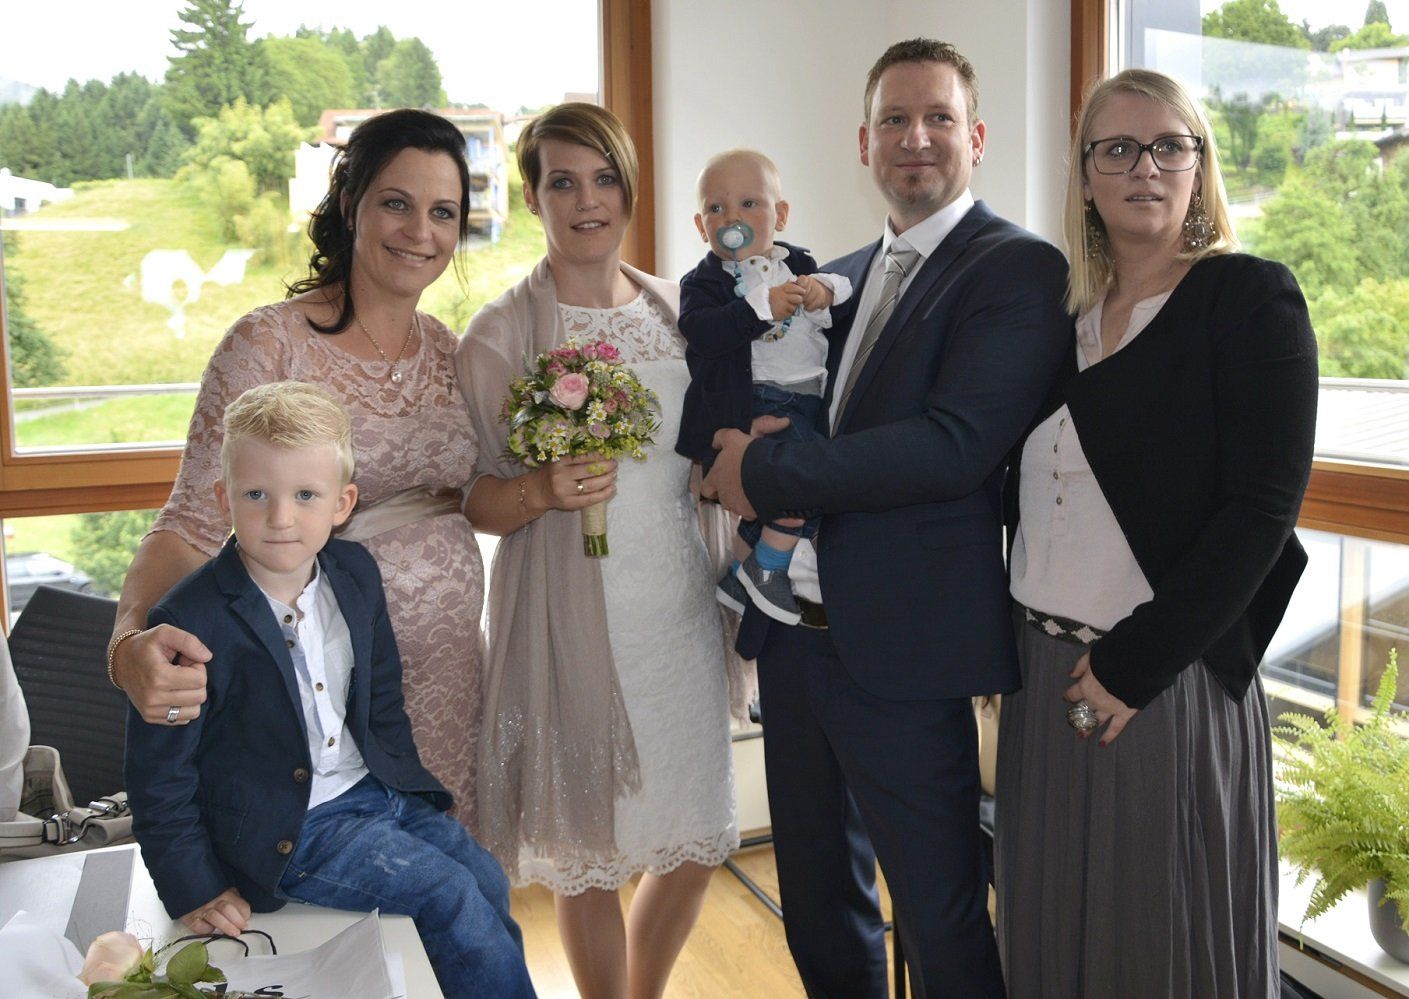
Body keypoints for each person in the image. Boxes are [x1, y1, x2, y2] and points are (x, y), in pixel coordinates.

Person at [705, 39, 1070, 998]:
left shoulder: (1017, 268)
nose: (915, 138)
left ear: (975, 138)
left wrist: (761, 467)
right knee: (819, 903)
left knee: (941, 917)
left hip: (907, 653)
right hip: (795, 643)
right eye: (894, 121)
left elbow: (953, 445)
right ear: (863, 142)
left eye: (938, 117)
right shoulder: (836, 275)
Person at [995, 68, 1317, 997]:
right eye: (1118, 148)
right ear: (1084, 175)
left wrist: (1130, 669)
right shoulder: (1060, 322)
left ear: (1199, 164)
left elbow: (1260, 511)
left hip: (1159, 684)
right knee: (1049, 932)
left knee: (1155, 945)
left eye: (1169, 145)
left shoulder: (1246, 298)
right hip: (1041, 676)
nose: (1145, 167)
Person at [105, 109, 487, 825]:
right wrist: (128, 645)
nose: (420, 231)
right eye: (396, 203)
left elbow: (484, 496)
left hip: (451, 677)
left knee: (448, 872)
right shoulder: (269, 343)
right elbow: (190, 523)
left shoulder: (451, 351)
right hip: (318, 686)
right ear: (349, 204)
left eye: (443, 212)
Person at [457, 102, 741, 999]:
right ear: (532, 198)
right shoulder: (500, 334)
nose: (587, 201)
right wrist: (542, 490)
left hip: (679, 613)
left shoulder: (679, 309)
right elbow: (471, 498)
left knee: (695, 837)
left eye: (604, 179)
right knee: (588, 854)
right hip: (574, 624)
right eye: (563, 182)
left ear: (629, 188)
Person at [125, 382, 533, 996]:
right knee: (446, 895)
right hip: (294, 826)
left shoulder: (355, 573)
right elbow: (159, 775)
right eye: (256, 494)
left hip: (375, 790)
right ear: (223, 498)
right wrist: (193, 886)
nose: (280, 517)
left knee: (487, 878)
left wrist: (409, 793)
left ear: (342, 503)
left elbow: (383, 702)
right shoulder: (191, 618)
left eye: (305, 495)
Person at [676, 148, 852, 625]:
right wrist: (759, 308)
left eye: (749, 203)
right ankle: (768, 566)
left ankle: (738, 572)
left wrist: (824, 292)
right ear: (701, 226)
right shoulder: (702, 282)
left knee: (780, 489)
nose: (732, 217)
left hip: (808, 394)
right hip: (758, 399)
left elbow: (840, 305)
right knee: (803, 483)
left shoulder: (799, 262)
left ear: (781, 215)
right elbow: (703, 332)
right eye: (716, 208)